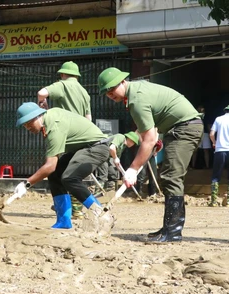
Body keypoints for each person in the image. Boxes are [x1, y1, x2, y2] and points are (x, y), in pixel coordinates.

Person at [98, 67, 203, 242]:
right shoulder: (136, 92)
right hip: (177, 127)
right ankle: (168, 228)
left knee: (171, 176)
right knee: (169, 176)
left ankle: (173, 232)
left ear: (123, 82)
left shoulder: (136, 99)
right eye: (106, 93)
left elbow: (148, 139)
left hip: (185, 128)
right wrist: (141, 140)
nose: (110, 94)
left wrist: (132, 169)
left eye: (112, 89)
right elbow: (148, 129)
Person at [13, 102, 114, 235]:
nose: (27, 128)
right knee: (55, 175)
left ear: (37, 116)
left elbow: (50, 166)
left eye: (28, 123)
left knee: (70, 178)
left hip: (97, 147)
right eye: (24, 125)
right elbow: (52, 168)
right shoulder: (49, 118)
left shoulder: (54, 126)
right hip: (82, 148)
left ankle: (101, 215)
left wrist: (26, 184)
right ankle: (63, 221)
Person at [37, 61, 91, 219]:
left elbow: (42, 93)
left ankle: (71, 207)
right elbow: (88, 118)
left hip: (65, 133)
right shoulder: (84, 92)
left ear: (62, 74)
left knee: (60, 172)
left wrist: (43, 106)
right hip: (82, 134)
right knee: (74, 172)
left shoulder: (62, 85)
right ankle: (74, 207)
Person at [208, 105, 229, 207]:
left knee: (216, 176)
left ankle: (214, 201)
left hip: (220, 150)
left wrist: (215, 143)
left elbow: (211, 134)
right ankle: (228, 201)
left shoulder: (219, 119)